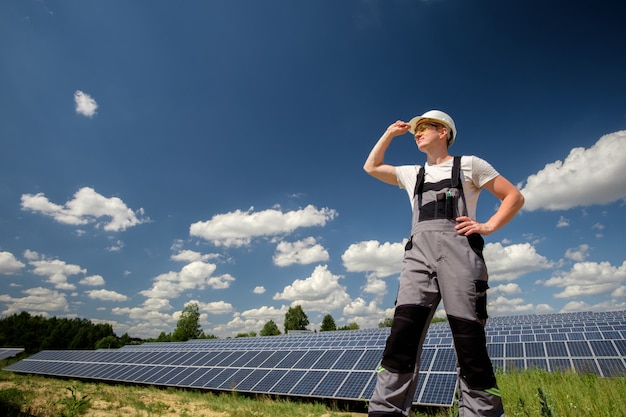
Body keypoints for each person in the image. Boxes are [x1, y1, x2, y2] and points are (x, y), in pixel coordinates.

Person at [363, 110, 524, 417]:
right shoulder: (413, 174)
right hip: (418, 258)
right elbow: (371, 167)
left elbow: (513, 197)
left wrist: (487, 225)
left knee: (469, 339)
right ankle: (386, 411)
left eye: (424, 127)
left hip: (460, 255)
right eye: (415, 130)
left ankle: (481, 412)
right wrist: (388, 134)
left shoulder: (470, 165)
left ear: (444, 132)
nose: (417, 133)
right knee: (402, 335)